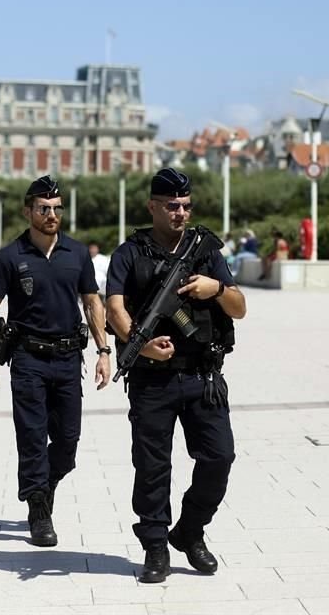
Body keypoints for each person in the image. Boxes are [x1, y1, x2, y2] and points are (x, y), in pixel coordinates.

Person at [106, 168, 247, 584]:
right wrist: (141, 344)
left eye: (186, 206)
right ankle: (154, 546)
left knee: (219, 457)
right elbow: (115, 310)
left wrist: (215, 289)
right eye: (172, 206)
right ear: (153, 206)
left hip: (203, 376)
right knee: (152, 467)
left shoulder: (206, 252)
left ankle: (189, 531)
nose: (180, 212)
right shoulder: (129, 254)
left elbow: (239, 307)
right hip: (153, 380)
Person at [0, 175, 110, 548]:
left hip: (69, 359)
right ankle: (38, 510)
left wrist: (103, 351)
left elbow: (92, 302)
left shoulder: (78, 254)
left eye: (56, 209)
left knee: (67, 442)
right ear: (28, 211)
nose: (51, 215)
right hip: (28, 359)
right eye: (43, 209)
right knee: (32, 436)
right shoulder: (10, 256)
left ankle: (42, 486)